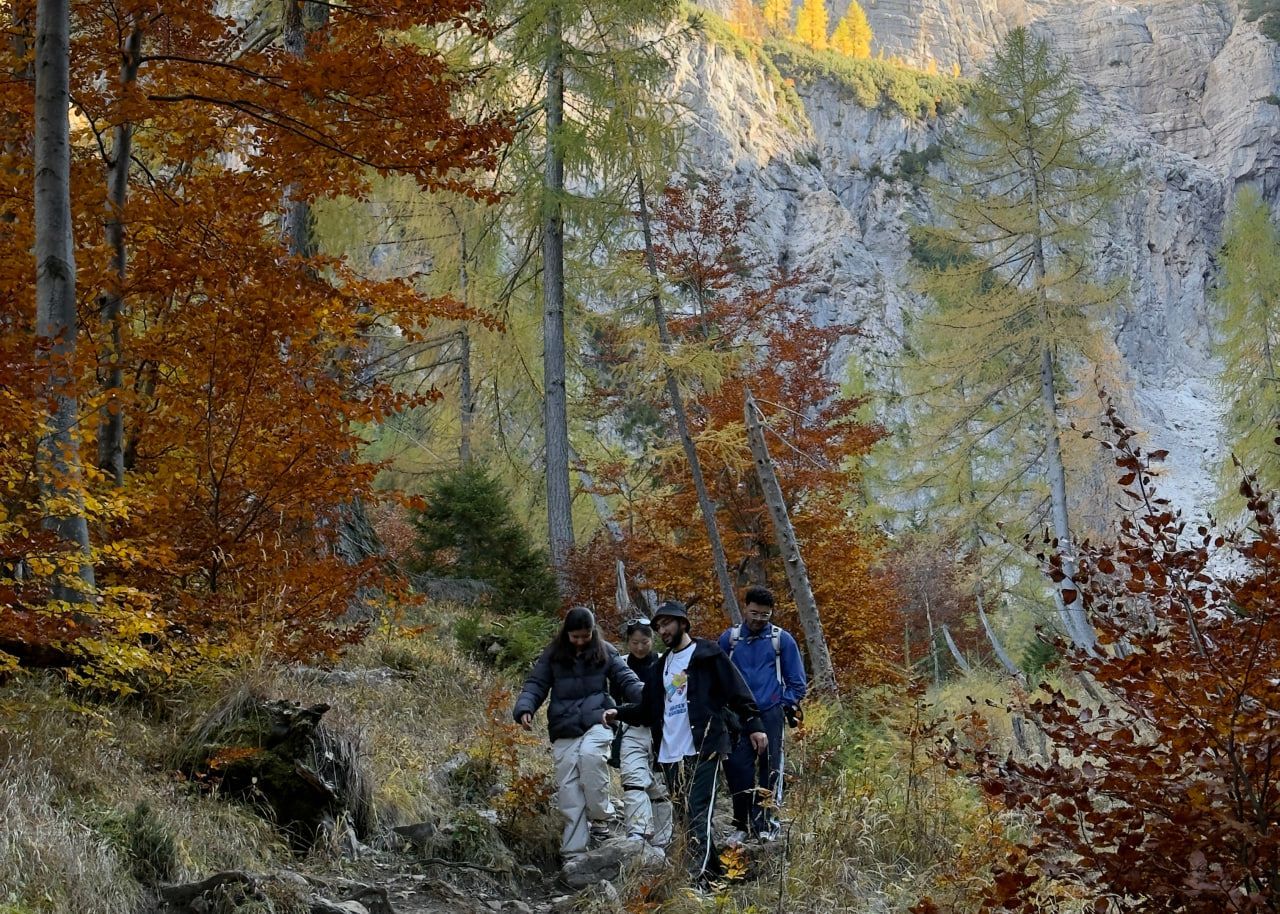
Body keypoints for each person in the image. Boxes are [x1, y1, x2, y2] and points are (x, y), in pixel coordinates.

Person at [606, 601, 765, 883]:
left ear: (682, 622)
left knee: (698, 813)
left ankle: (697, 880)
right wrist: (619, 712)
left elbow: (736, 690)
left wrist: (754, 725)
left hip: (704, 747)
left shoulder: (707, 654)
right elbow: (648, 710)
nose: (663, 630)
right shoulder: (660, 667)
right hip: (669, 754)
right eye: (658, 626)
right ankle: (715, 876)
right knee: (685, 818)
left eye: (667, 623)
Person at [512, 606, 642, 859]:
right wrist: (525, 708)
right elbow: (536, 684)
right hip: (564, 725)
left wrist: (647, 697)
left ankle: (601, 817)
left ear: (593, 632)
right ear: (566, 633)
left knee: (591, 757)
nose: (581, 641)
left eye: (586, 636)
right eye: (575, 637)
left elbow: (626, 679)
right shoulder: (553, 654)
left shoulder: (606, 650)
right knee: (568, 788)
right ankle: (574, 851)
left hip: (598, 719)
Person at [719, 586, 807, 843]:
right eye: (754, 613)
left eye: (764, 615)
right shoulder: (730, 639)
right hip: (737, 715)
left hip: (770, 713)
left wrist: (783, 704)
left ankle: (767, 822)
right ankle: (742, 824)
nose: (758, 619)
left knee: (771, 768)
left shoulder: (781, 640)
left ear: (771, 613)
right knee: (737, 768)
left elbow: (797, 682)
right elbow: (718, 676)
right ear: (745, 608)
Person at [610, 618, 674, 847]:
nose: (639, 647)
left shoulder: (666, 661)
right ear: (628, 642)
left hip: (662, 730)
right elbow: (613, 698)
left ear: (652, 639)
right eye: (634, 642)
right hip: (631, 728)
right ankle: (637, 833)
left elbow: (676, 690)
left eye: (644, 642)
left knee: (660, 787)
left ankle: (662, 841)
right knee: (633, 781)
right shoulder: (620, 664)